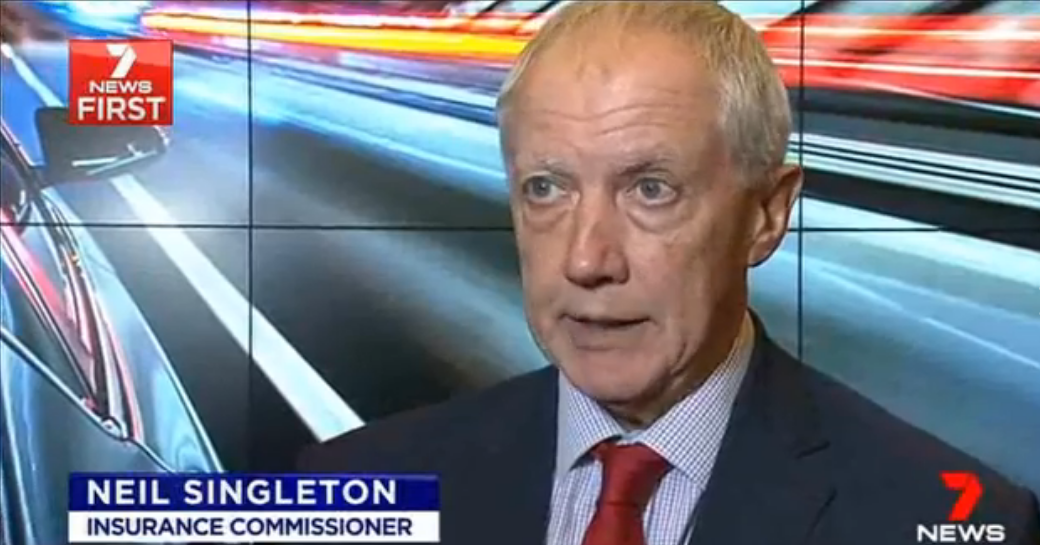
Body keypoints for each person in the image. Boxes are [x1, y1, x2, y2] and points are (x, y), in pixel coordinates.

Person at [298, 2, 1040, 543]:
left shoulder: (948, 519)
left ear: (766, 215)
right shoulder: (348, 487)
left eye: (651, 189)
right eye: (546, 189)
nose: (586, 260)